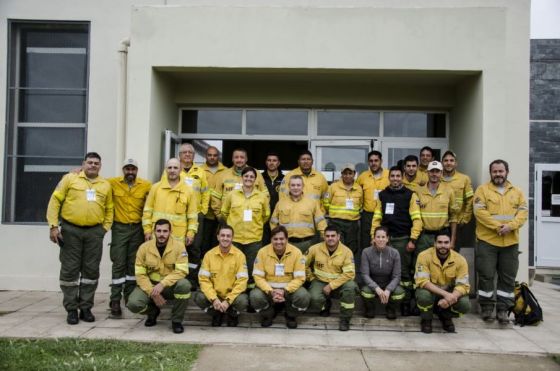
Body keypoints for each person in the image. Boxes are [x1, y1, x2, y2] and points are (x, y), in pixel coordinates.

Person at [46, 152, 113, 325]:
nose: (93, 165)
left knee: (91, 271)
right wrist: (53, 226)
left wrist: (104, 229)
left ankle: (85, 307)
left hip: (94, 233)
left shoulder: (105, 185)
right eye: (89, 162)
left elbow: (109, 209)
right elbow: (55, 201)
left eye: (96, 163)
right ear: (83, 164)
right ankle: (71, 309)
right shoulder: (70, 179)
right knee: (70, 270)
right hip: (70, 231)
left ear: (100, 166)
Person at [473, 159, 528, 324]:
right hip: (487, 241)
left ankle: (504, 309)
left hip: (510, 243)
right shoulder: (482, 190)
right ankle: (487, 308)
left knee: (508, 278)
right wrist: (498, 227)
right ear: (491, 173)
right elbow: (479, 212)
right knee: (486, 275)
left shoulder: (517, 192)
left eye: (500, 171)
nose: (498, 174)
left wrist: (510, 226)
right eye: (495, 171)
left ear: (507, 172)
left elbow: (523, 212)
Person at [370, 166, 422, 316]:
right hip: (385, 240)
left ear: (402, 177)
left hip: (403, 239)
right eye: (392, 176)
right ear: (389, 178)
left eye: (398, 176)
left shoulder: (410, 195)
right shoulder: (383, 195)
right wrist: (373, 237)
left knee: (404, 273)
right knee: (384, 271)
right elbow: (377, 218)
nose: (395, 179)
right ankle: (386, 300)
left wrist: (413, 239)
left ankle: (405, 303)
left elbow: (417, 219)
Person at [127, 219, 191, 334]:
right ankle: (152, 312)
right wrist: (152, 292)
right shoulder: (144, 248)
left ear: (170, 232)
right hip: (150, 285)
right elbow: (140, 274)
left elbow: (181, 271)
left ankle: (176, 321)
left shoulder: (179, 247)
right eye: (159, 231)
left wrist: (163, 284)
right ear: (154, 232)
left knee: (184, 285)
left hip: (169, 286)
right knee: (133, 304)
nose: (162, 234)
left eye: (165, 231)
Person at [107, 158, 152, 316]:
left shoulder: (146, 185)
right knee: (118, 263)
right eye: (127, 169)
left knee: (133, 265)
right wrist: (76, 172)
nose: (130, 172)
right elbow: (95, 181)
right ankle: (114, 300)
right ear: (123, 170)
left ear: (137, 170)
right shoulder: (112, 183)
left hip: (137, 230)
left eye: (133, 169)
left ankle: (129, 297)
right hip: (120, 228)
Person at [250, 226, 310, 329]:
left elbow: (300, 278)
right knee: (255, 296)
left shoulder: (296, 253)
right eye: (275, 239)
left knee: (303, 296)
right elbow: (258, 276)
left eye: (282, 239)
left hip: (289, 291)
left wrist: (285, 291)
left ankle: (290, 315)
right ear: (271, 240)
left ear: (287, 239)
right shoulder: (262, 252)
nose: (279, 242)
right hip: (268, 291)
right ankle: (268, 315)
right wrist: (271, 291)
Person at [221, 166, 270, 284]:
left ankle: (250, 294)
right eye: (246, 176)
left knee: (252, 269)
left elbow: (266, 215)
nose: (249, 178)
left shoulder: (262, 197)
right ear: (242, 178)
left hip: (254, 239)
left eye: (251, 177)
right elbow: (224, 212)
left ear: (255, 179)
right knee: (234, 268)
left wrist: (255, 225)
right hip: (235, 239)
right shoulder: (232, 195)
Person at [414, 232, 471, 334]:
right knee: (423, 296)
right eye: (439, 242)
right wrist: (446, 295)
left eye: (446, 242)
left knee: (465, 305)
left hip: (449, 293)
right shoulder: (423, 256)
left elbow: (463, 285)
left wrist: (450, 299)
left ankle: (446, 317)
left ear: (451, 244)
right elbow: (422, 281)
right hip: (431, 291)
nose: (443, 245)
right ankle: (426, 319)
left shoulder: (460, 260)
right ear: (434, 243)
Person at [195, 224, 248, 327]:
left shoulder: (240, 256)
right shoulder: (209, 255)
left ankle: (232, 314)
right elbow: (203, 280)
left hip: (231, 296)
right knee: (199, 297)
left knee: (243, 301)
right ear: (218, 237)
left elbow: (242, 281)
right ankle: (216, 314)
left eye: (228, 236)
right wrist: (214, 299)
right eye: (222, 235)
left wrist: (228, 301)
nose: (225, 238)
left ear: (232, 238)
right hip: (215, 295)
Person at [306, 225, 357, 331]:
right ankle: (325, 305)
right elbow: (302, 264)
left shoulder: (347, 252)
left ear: (338, 237)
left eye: (333, 236)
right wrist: (310, 278)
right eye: (327, 236)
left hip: (340, 283)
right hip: (319, 281)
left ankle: (345, 319)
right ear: (324, 237)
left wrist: (331, 286)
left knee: (350, 287)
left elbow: (349, 274)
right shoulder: (314, 249)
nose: (330, 238)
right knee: (314, 299)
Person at [176, 143, 210, 288]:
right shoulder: (173, 170)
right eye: (185, 152)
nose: (188, 155)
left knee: (195, 248)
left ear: (194, 155)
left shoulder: (200, 171)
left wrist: (202, 210)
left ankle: (193, 280)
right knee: (179, 247)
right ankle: (178, 278)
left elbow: (206, 192)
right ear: (180, 155)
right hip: (179, 216)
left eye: (190, 152)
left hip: (196, 216)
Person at [143, 158, 198, 245]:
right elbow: (147, 212)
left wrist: (190, 234)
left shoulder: (188, 190)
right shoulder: (155, 188)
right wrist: (147, 230)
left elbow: (193, 216)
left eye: (175, 168)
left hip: (178, 238)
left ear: (180, 170)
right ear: (166, 170)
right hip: (157, 236)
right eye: (170, 168)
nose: (172, 170)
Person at [270, 175, 327, 253]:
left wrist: (324, 237)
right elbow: (273, 223)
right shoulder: (281, 203)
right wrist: (277, 239)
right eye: (293, 185)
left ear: (303, 186)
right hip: (286, 244)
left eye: (298, 185)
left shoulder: (311, 203)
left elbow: (321, 222)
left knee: (306, 265)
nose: (295, 187)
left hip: (307, 244)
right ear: (289, 186)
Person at [211, 148, 268, 219]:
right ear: (232, 159)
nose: (239, 160)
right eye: (236, 157)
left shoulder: (256, 173)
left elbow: (266, 196)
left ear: (246, 159)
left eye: (242, 157)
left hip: (252, 220)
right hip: (229, 220)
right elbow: (215, 198)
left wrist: (259, 218)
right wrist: (220, 216)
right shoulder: (223, 175)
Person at [415, 161, 459, 254]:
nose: (434, 174)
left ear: (441, 173)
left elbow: (454, 217)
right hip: (423, 236)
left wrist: (453, 240)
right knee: (422, 263)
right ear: (427, 172)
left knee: (441, 264)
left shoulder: (449, 191)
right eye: (432, 171)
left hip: (443, 235)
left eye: (437, 171)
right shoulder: (419, 191)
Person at [361, 227, 404, 319]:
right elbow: (365, 274)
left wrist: (388, 289)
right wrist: (376, 288)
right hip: (372, 285)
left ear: (387, 238)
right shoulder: (366, 252)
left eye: (383, 237)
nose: (381, 240)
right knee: (365, 292)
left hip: (388, 283)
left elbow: (397, 276)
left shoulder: (394, 253)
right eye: (378, 237)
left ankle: (391, 309)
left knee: (399, 293)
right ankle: (370, 309)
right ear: (374, 238)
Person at [324, 163, 363, 256]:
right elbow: (326, 202)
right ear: (341, 174)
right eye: (345, 173)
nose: (347, 176)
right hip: (336, 222)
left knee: (351, 249)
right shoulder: (333, 187)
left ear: (354, 174)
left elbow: (361, 204)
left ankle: (348, 269)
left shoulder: (358, 188)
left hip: (352, 224)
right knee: (336, 248)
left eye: (350, 173)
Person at [357, 150, 390, 252]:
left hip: (385, 215)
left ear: (381, 161)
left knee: (384, 243)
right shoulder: (363, 176)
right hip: (368, 215)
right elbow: (356, 192)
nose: (373, 163)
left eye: (376, 160)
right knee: (367, 243)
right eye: (371, 161)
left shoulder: (389, 175)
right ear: (368, 162)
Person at [441, 150, 474, 251]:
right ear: (442, 163)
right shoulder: (437, 177)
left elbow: (470, 200)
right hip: (441, 222)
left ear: (456, 163)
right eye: (446, 160)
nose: (449, 163)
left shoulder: (464, 179)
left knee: (454, 252)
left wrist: (465, 219)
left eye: (451, 160)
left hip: (458, 223)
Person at [201, 146, 227, 257]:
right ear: (205, 156)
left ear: (218, 156)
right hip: (205, 214)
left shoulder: (226, 171)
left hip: (220, 214)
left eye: (215, 155)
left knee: (218, 242)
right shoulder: (199, 170)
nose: (212, 157)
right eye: (209, 155)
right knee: (204, 243)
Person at [262, 152, 285, 244]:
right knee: (263, 245)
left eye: (274, 160)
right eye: (269, 160)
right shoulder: (259, 178)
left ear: (278, 163)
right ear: (266, 162)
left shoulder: (284, 179)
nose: (272, 163)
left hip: (279, 218)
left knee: (277, 244)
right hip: (262, 217)